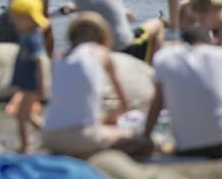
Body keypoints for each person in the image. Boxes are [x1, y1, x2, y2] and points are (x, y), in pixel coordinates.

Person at [142, 26, 222, 158]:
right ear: (210, 41)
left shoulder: (163, 58)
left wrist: (146, 136)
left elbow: (157, 103)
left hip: (185, 149)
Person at [43, 12, 149, 159]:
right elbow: (123, 107)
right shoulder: (101, 53)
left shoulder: (58, 57)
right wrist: (108, 120)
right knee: (140, 141)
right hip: (80, 136)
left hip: (49, 136)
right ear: (102, 35)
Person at [59, 0, 165, 64]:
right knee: (158, 24)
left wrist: (72, 6)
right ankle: (153, 68)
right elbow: (107, 2)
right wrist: (124, 12)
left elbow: (94, 2)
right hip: (125, 47)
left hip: (103, 48)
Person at [6, 0, 49, 153]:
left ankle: (25, 147)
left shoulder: (33, 38)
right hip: (26, 83)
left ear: (29, 19)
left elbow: (41, 60)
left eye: (17, 18)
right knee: (28, 115)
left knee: (21, 115)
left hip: (32, 83)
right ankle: (48, 136)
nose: (12, 21)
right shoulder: (27, 35)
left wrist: (43, 85)